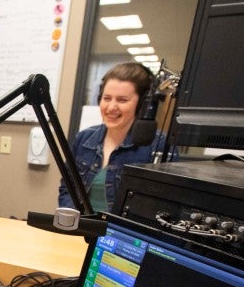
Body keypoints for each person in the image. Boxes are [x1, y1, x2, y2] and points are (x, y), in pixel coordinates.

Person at [58, 62, 175, 213]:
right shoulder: (84, 139)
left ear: (141, 105)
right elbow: (67, 188)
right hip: (80, 230)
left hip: (122, 234)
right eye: (107, 98)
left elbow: (163, 207)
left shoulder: (159, 146)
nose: (111, 107)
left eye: (122, 100)